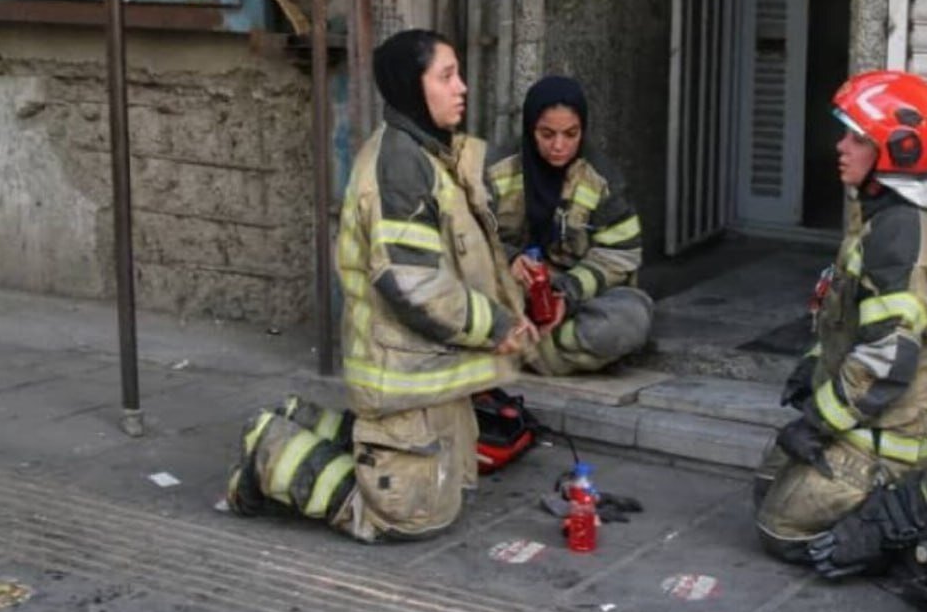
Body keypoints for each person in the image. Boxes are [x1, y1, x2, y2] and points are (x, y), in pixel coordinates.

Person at [228, 28, 535, 541]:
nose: (461, 87)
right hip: (400, 370)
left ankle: (301, 418)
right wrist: (496, 324)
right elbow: (416, 286)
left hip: (425, 372)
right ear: (413, 87)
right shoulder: (401, 167)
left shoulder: (427, 151)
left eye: (458, 73)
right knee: (407, 518)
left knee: (456, 484)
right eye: (446, 76)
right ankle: (271, 449)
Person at [755, 70, 927, 577]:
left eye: (857, 138)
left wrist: (816, 423)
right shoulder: (878, 217)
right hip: (871, 418)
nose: (841, 147)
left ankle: (923, 493)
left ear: (898, 151)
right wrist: (811, 371)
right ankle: (919, 475)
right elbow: (848, 325)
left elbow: (885, 361)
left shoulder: (897, 236)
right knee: (769, 484)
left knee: (780, 528)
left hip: (896, 429)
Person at [486, 75, 653, 376]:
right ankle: (535, 350)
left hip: (570, 301)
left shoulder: (601, 180)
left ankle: (518, 351)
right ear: (529, 129)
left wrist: (568, 293)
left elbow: (621, 255)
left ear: (583, 131)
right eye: (547, 134)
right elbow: (463, 237)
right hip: (506, 294)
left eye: (571, 134)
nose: (559, 146)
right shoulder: (495, 170)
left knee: (630, 319)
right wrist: (508, 260)